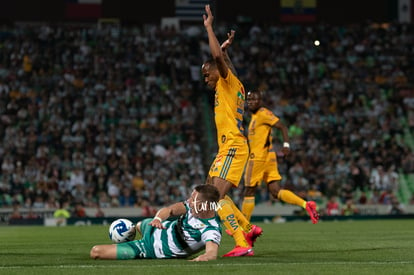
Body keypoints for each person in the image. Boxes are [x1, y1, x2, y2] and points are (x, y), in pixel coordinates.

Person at [201, 4, 261, 257]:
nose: (206, 79)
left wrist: (209, 29)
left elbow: (217, 60)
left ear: (219, 71)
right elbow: (223, 62)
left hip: (234, 146)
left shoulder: (226, 83)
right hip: (227, 147)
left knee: (212, 198)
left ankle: (242, 242)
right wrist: (226, 51)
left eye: (207, 75)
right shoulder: (233, 84)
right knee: (206, 191)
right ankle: (247, 228)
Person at [241, 89, 320, 224]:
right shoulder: (255, 116)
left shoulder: (263, 114)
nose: (251, 102)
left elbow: (282, 126)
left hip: (258, 157)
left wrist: (286, 145)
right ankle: (306, 205)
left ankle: (242, 227)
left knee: (249, 190)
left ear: (260, 101)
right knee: (275, 191)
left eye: (254, 99)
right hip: (269, 157)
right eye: (249, 100)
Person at [90, 184, 222, 261]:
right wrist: (157, 219)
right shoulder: (191, 206)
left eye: (193, 199)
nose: (189, 201)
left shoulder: (210, 229)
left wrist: (202, 258)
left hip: (150, 247)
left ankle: (130, 244)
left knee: (95, 252)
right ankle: (135, 233)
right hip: (157, 228)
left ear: (207, 205)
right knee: (139, 225)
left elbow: (211, 253)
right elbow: (169, 210)